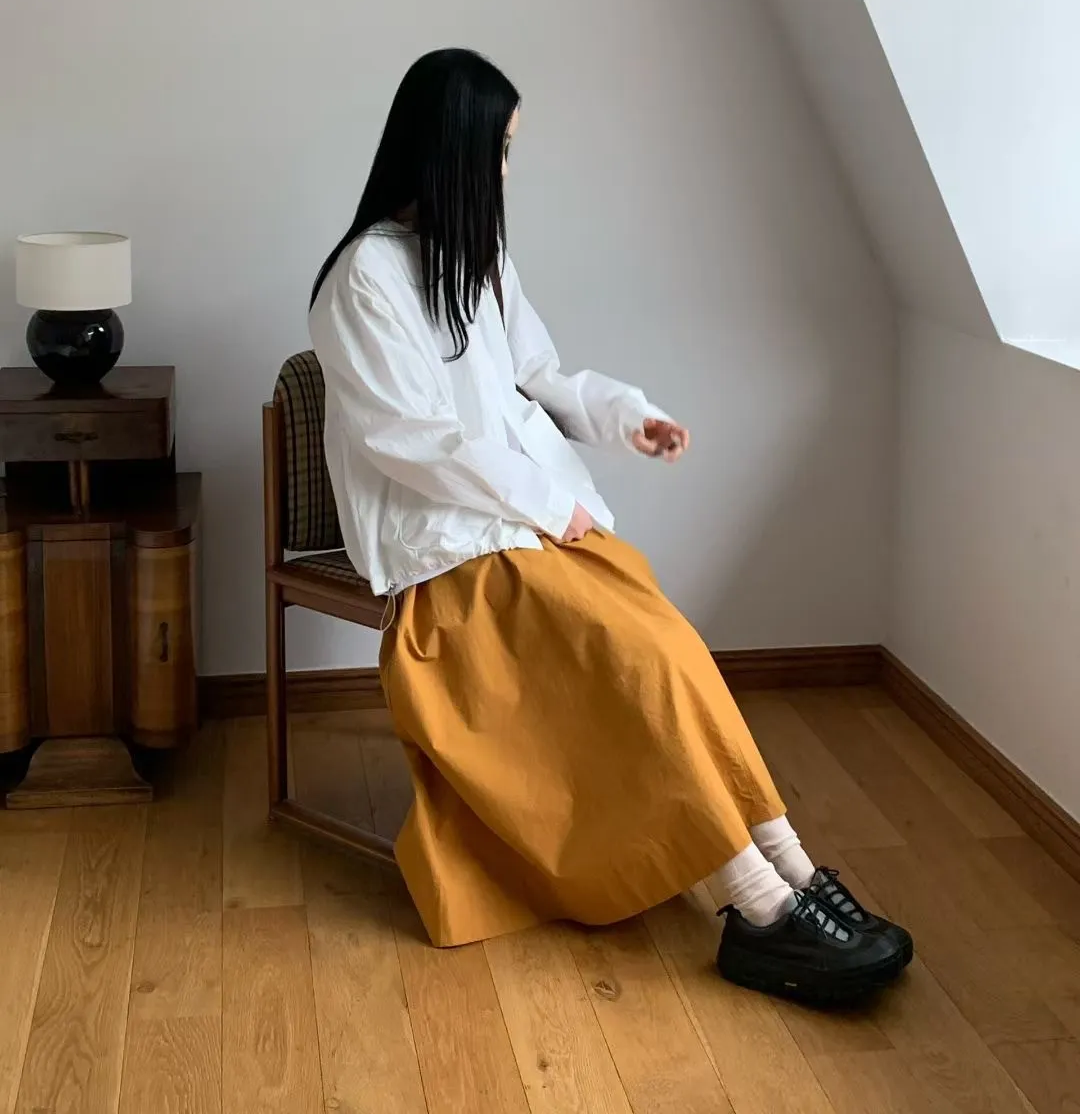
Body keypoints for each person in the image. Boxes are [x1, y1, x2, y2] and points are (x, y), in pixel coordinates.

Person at [309, 48, 912, 1004]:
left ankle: (792, 870)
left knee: (671, 651)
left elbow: (540, 378)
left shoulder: (476, 260)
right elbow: (413, 441)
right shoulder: (362, 281)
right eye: (500, 150)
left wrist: (629, 418)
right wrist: (553, 506)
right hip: (450, 555)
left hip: (530, 529)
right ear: (453, 149)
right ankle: (756, 906)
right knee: (637, 664)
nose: (508, 171)